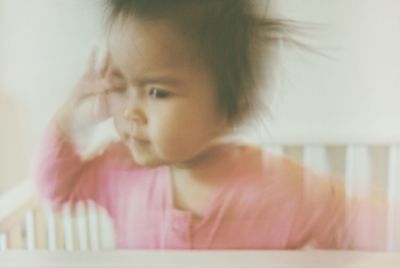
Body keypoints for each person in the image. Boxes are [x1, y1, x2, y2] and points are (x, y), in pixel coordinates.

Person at [33, 0, 397, 250]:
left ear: (228, 110)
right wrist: (69, 120)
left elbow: (366, 223)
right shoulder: (117, 171)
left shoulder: (279, 189)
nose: (130, 111)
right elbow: (55, 189)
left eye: (156, 92)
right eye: (118, 86)